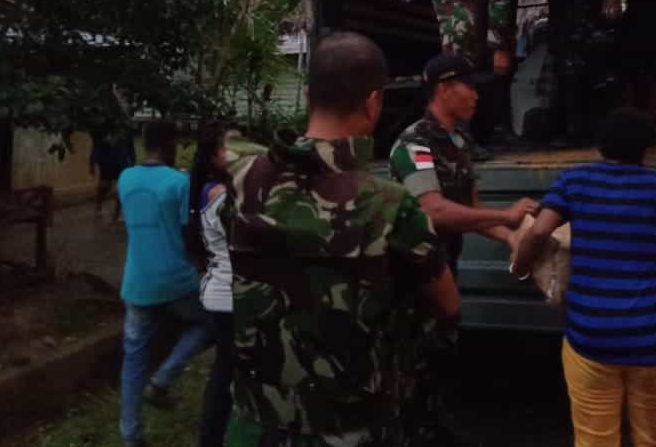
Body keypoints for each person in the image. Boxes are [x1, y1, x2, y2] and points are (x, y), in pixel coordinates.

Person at [221, 32, 460, 446]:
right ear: (373, 103)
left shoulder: (243, 182)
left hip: (255, 422)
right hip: (351, 428)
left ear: (309, 93)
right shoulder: (393, 205)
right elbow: (447, 303)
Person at [513, 108, 656, 447]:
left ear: (600, 146)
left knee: (595, 438)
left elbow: (539, 232)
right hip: (655, 339)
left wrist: (522, 266)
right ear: (646, 149)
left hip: (591, 335)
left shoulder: (575, 181)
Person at [388, 53, 539, 444]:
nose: (476, 95)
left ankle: (431, 430)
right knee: (410, 370)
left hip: (444, 271)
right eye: (469, 86)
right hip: (414, 279)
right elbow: (433, 211)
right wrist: (506, 217)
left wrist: (510, 238)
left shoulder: (457, 140)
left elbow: (471, 209)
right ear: (442, 88)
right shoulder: (415, 143)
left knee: (439, 365)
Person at [430, 0, 571, 145]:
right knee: (462, 60)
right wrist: (500, 48)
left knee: (491, 62)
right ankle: (457, 137)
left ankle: (493, 129)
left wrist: (505, 40)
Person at [118, 120, 211, 447]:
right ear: (171, 144)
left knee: (133, 359)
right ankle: (163, 379)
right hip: (177, 281)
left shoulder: (125, 178)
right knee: (210, 323)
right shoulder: (179, 182)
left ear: (144, 143)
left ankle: (130, 436)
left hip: (136, 283)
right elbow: (190, 234)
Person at [190, 122, 238, 447]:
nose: (240, 152)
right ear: (212, 157)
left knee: (228, 367)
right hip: (227, 296)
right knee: (226, 370)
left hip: (224, 292)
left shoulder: (223, 187)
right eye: (230, 145)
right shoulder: (218, 191)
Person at [91, 127, 136, 222]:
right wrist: (92, 163)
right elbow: (96, 146)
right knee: (104, 186)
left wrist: (132, 160)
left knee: (121, 187)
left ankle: (116, 214)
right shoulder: (103, 129)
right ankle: (98, 207)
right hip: (107, 163)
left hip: (122, 162)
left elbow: (130, 146)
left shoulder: (126, 130)